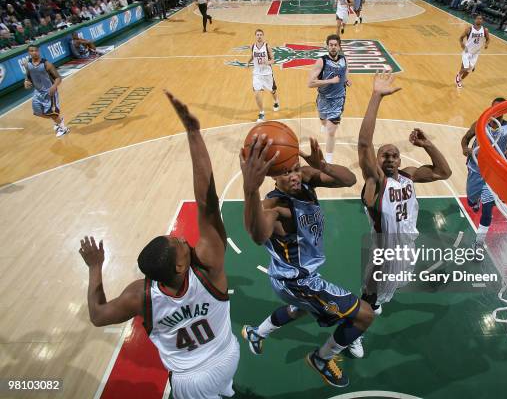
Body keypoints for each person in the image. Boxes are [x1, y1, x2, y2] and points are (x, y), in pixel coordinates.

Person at [78, 91, 239, 399]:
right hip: (227, 356)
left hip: (191, 378)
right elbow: (207, 201)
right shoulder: (207, 269)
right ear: (181, 266)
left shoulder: (140, 295)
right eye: (179, 243)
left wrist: (95, 268)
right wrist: (193, 132)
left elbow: (98, 316)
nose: (182, 237)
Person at [239, 133, 374, 388]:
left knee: (300, 308)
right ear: (273, 176)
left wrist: (323, 166)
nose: (294, 176)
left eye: (296, 169)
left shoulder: (306, 181)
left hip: (288, 277)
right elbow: (257, 235)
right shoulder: (273, 207)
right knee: (364, 316)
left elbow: (350, 179)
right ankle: (321, 359)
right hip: (297, 281)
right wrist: (250, 191)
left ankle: (258, 333)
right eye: (286, 173)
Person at [358, 72, 452, 315]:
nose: (389, 158)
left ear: (400, 160)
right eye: (384, 155)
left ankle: (374, 306)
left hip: (407, 247)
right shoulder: (375, 182)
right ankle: (352, 334)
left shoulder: (409, 176)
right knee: (369, 296)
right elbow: (364, 145)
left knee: (386, 293)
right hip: (385, 251)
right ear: (376, 161)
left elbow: (444, 173)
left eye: (394, 155)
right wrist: (376, 96)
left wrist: (428, 145)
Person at [460, 97, 507, 248]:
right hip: (476, 169)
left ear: (505, 111)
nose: (496, 111)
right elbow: (465, 139)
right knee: (471, 200)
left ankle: (479, 242)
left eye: (500, 109)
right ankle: (474, 202)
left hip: (494, 173)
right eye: (494, 108)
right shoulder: (479, 124)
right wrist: (465, 149)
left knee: (488, 209)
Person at [307, 34, 350, 163]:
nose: (333, 47)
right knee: (323, 121)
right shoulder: (321, 61)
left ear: (339, 46)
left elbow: (346, 69)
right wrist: (331, 80)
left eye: (335, 45)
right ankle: (324, 123)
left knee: (331, 131)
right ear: (327, 46)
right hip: (323, 99)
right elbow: (310, 83)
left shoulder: (344, 59)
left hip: (338, 100)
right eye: (330, 45)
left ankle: (329, 159)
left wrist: (346, 79)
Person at [24, 45, 68, 137]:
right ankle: (59, 120)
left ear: (38, 51)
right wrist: (26, 81)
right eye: (31, 51)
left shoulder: (47, 64)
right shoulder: (27, 64)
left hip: (49, 92)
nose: (34, 52)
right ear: (29, 53)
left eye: (35, 50)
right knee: (38, 113)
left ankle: (64, 128)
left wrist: (54, 86)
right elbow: (28, 76)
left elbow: (58, 78)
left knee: (53, 113)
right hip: (38, 93)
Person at [246, 29, 279, 123]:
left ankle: (276, 101)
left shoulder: (267, 46)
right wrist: (248, 62)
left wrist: (267, 62)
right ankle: (261, 112)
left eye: (260, 34)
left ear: (263, 36)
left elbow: (273, 60)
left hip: (267, 73)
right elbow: (252, 56)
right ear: (255, 36)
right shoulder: (252, 46)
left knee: (272, 90)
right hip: (257, 73)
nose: (259, 36)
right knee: (257, 93)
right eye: (257, 35)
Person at [455, 14, 489, 88]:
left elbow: (488, 39)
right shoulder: (469, 29)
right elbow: (461, 38)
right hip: (467, 51)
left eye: (480, 19)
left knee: (468, 71)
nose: (479, 20)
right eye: (477, 18)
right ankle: (458, 76)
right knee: (465, 67)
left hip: (476, 53)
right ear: (475, 20)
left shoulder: (485, 30)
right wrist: (462, 45)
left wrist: (486, 44)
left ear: (482, 21)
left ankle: (460, 80)